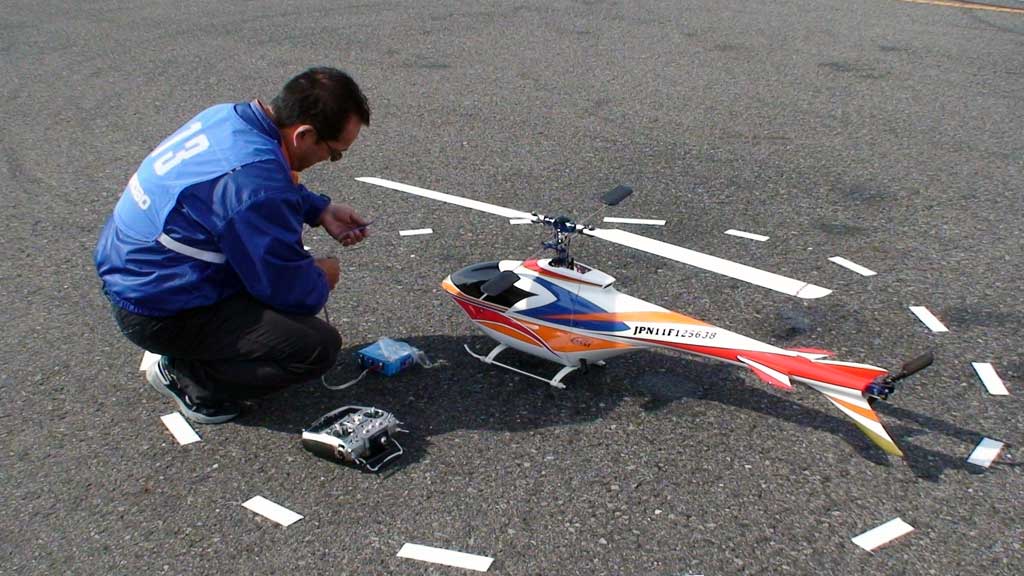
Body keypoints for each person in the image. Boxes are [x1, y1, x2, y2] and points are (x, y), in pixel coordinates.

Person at [95, 67, 371, 424]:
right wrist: (322, 276)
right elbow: (291, 291)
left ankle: (200, 351)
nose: (331, 161)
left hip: (134, 269)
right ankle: (190, 379)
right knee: (315, 347)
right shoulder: (254, 184)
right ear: (304, 134)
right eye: (334, 153)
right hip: (157, 307)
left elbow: (250, 186)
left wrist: (319, 209)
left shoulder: (227, 118)